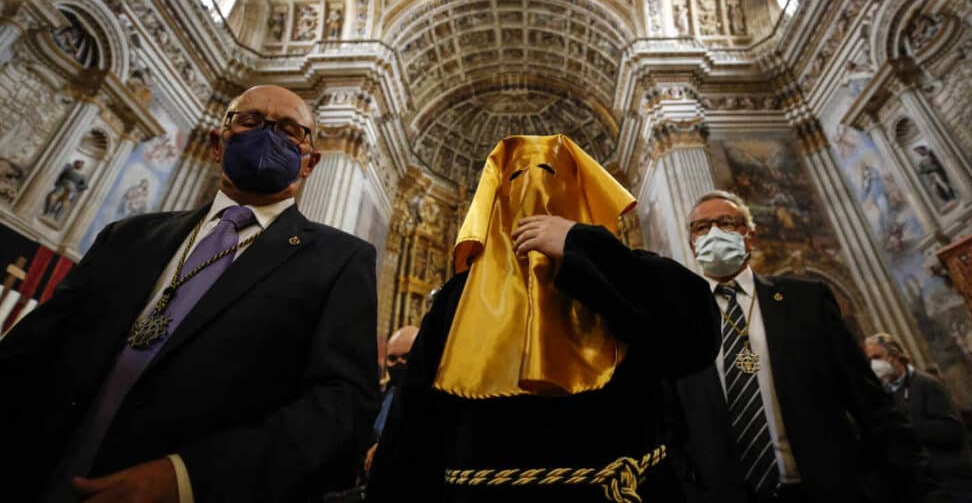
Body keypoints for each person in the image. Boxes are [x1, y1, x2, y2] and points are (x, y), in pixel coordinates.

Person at [0, 85, 379, 503]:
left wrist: (185, 479)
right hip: (44, 472)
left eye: (290, 130)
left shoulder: (339, 260)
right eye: (250, 122)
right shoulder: (129, 236)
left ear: (310, 163)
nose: (268, 135)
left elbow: (341, 406)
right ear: (217, 144)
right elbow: (33, 349)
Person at [367, 134, 720, 502]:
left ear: (580, 189)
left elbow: (695, 340)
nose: (534, 185)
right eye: (516, 177)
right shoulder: (457, 298)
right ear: (496, 199)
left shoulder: (623, 271)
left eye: (551, 172)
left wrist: (580, 245)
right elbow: (412, 428)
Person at [665, 190, 944, 503]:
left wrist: (922, 488)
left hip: (825, 489)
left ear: (750, 236)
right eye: (701, 227)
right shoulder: (677, 321)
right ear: (691, 243)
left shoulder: (806, 301)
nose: (714, 233)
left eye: (727, 223)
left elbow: (870, 403)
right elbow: (673, 426)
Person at [865, 333, 972, 502]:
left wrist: (907, 428)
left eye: (877, 357)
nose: (874, 364)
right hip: (929, 486)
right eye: (870, 359)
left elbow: (952, 430)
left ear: (895, 356)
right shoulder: (888, 393)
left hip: (955, 482)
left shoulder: (927, 384)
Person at [364, 325, 419, 474]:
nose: (399, 363)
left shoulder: (432, 401)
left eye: (406, 357)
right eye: (393, 358)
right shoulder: (379, 396)